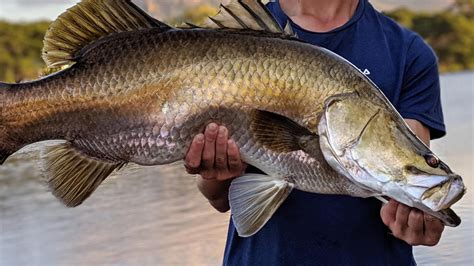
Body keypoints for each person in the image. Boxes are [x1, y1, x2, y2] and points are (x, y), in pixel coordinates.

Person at [185, 0, 446, 264]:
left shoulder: (407, 52)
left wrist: (415, 218)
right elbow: (218, 198)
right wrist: (215, 171)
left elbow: (407, 169)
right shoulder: (242, 32)